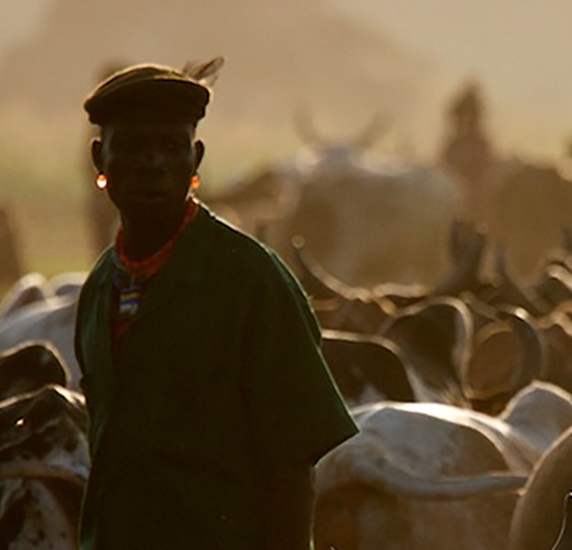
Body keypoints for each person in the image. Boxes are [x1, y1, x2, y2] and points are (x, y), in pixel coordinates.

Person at [72, 60, 359, 550]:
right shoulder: (101, 287)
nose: (152, 163)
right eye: (134, 146)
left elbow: (292, 468)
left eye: (170, 146)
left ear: (196, 158)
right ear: (101, 159)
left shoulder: (252, 282)